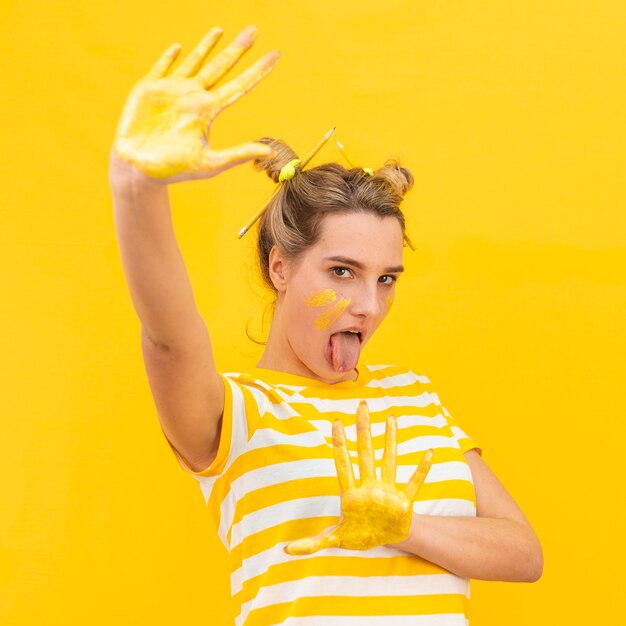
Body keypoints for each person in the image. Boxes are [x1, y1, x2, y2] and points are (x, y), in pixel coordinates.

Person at [110, 25, 543, 626]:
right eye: (342, 271)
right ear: (280, 266)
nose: (368, 304)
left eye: (386, 278)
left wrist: (402, 526)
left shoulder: (413, 396)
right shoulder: (233, 414)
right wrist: (137, 187)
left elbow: (524, 553)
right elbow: (167, 336)